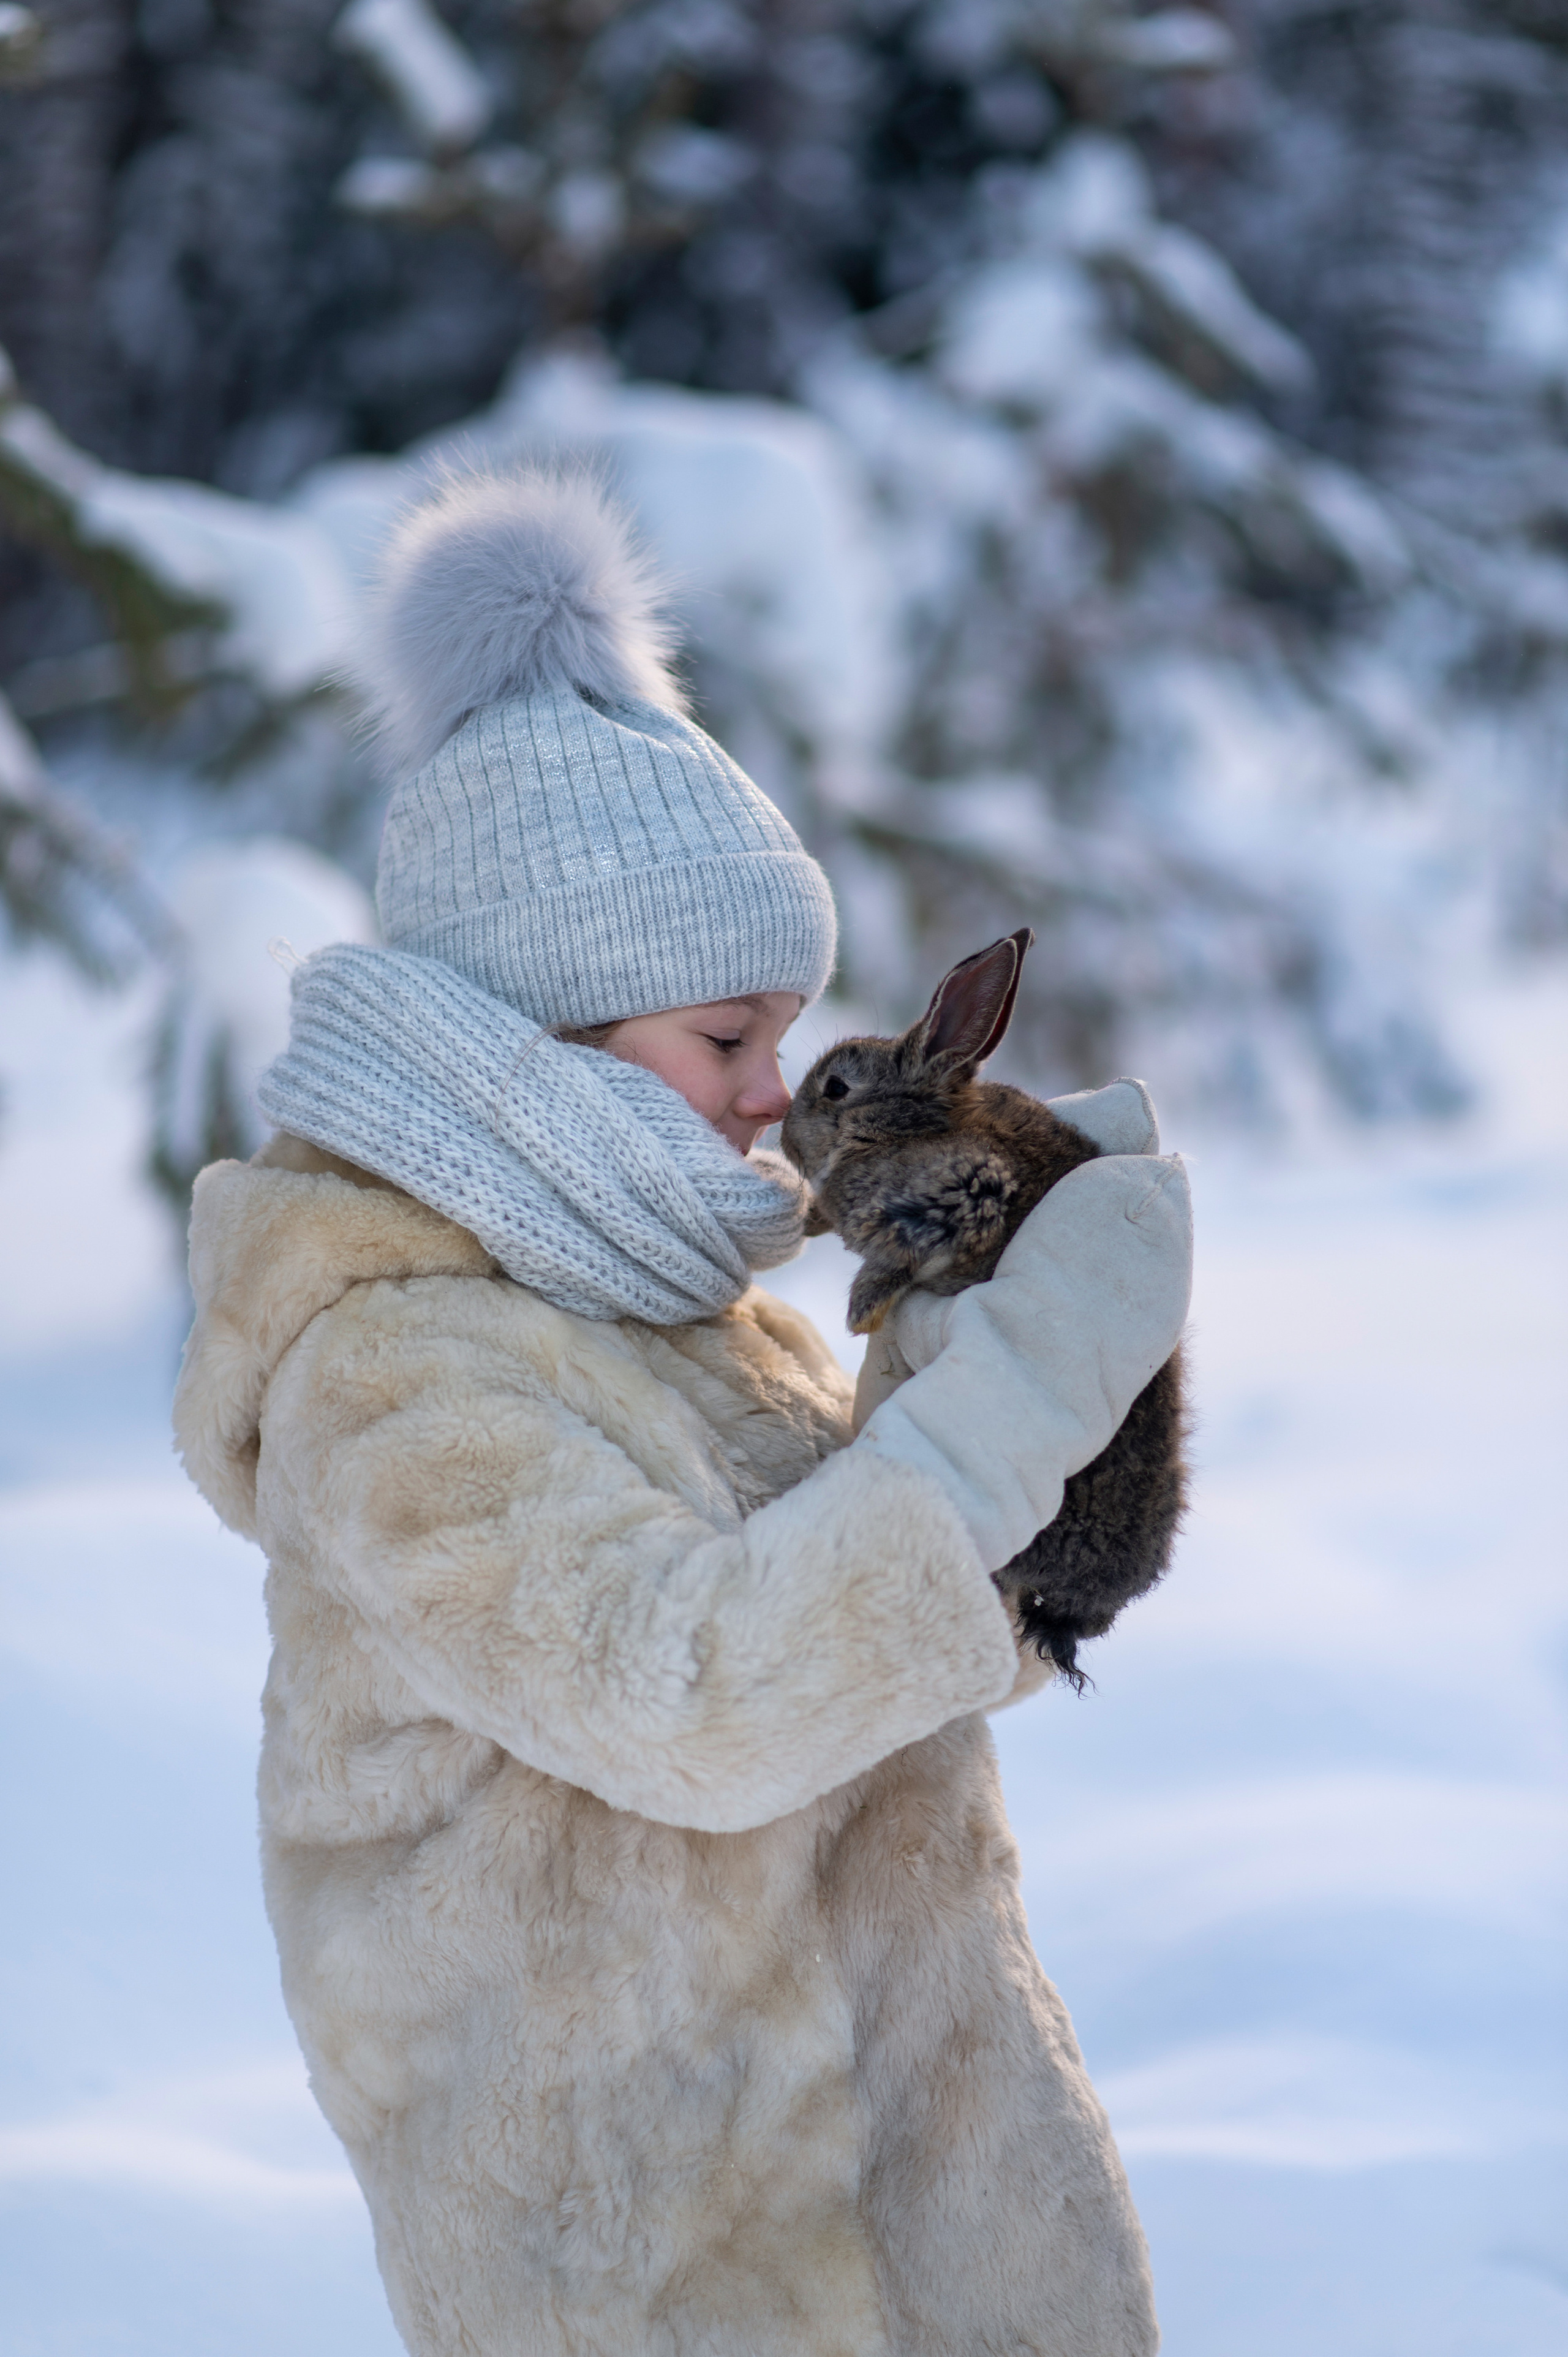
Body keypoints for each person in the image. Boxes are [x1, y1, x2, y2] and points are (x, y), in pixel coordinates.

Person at [174, 470, 1191, 2357]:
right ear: (541, 1028)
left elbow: (897, 1648)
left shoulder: (703, 1325)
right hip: (673, 2275)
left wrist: (1038, 1392)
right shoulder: (395, 1367)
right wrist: (1007, 1418)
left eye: (782, 1037)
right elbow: (701, 1702)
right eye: (727, 1038)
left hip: (941, 2232)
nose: (766, 1096)